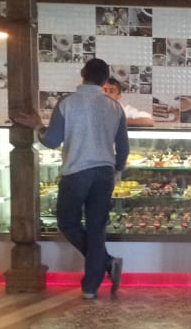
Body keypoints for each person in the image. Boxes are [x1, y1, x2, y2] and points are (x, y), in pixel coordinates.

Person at [11, 58, 128, 300]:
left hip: (76, 172)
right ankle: (91, 285)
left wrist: (38, 126)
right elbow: (124, 149)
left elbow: (52, 141)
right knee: (96, 229)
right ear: (105, 80)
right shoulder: (115, 107)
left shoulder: (68, 103)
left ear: (82, 73)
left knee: (67, 222)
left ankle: (107, 263)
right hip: (105, 173)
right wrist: (115, 170)